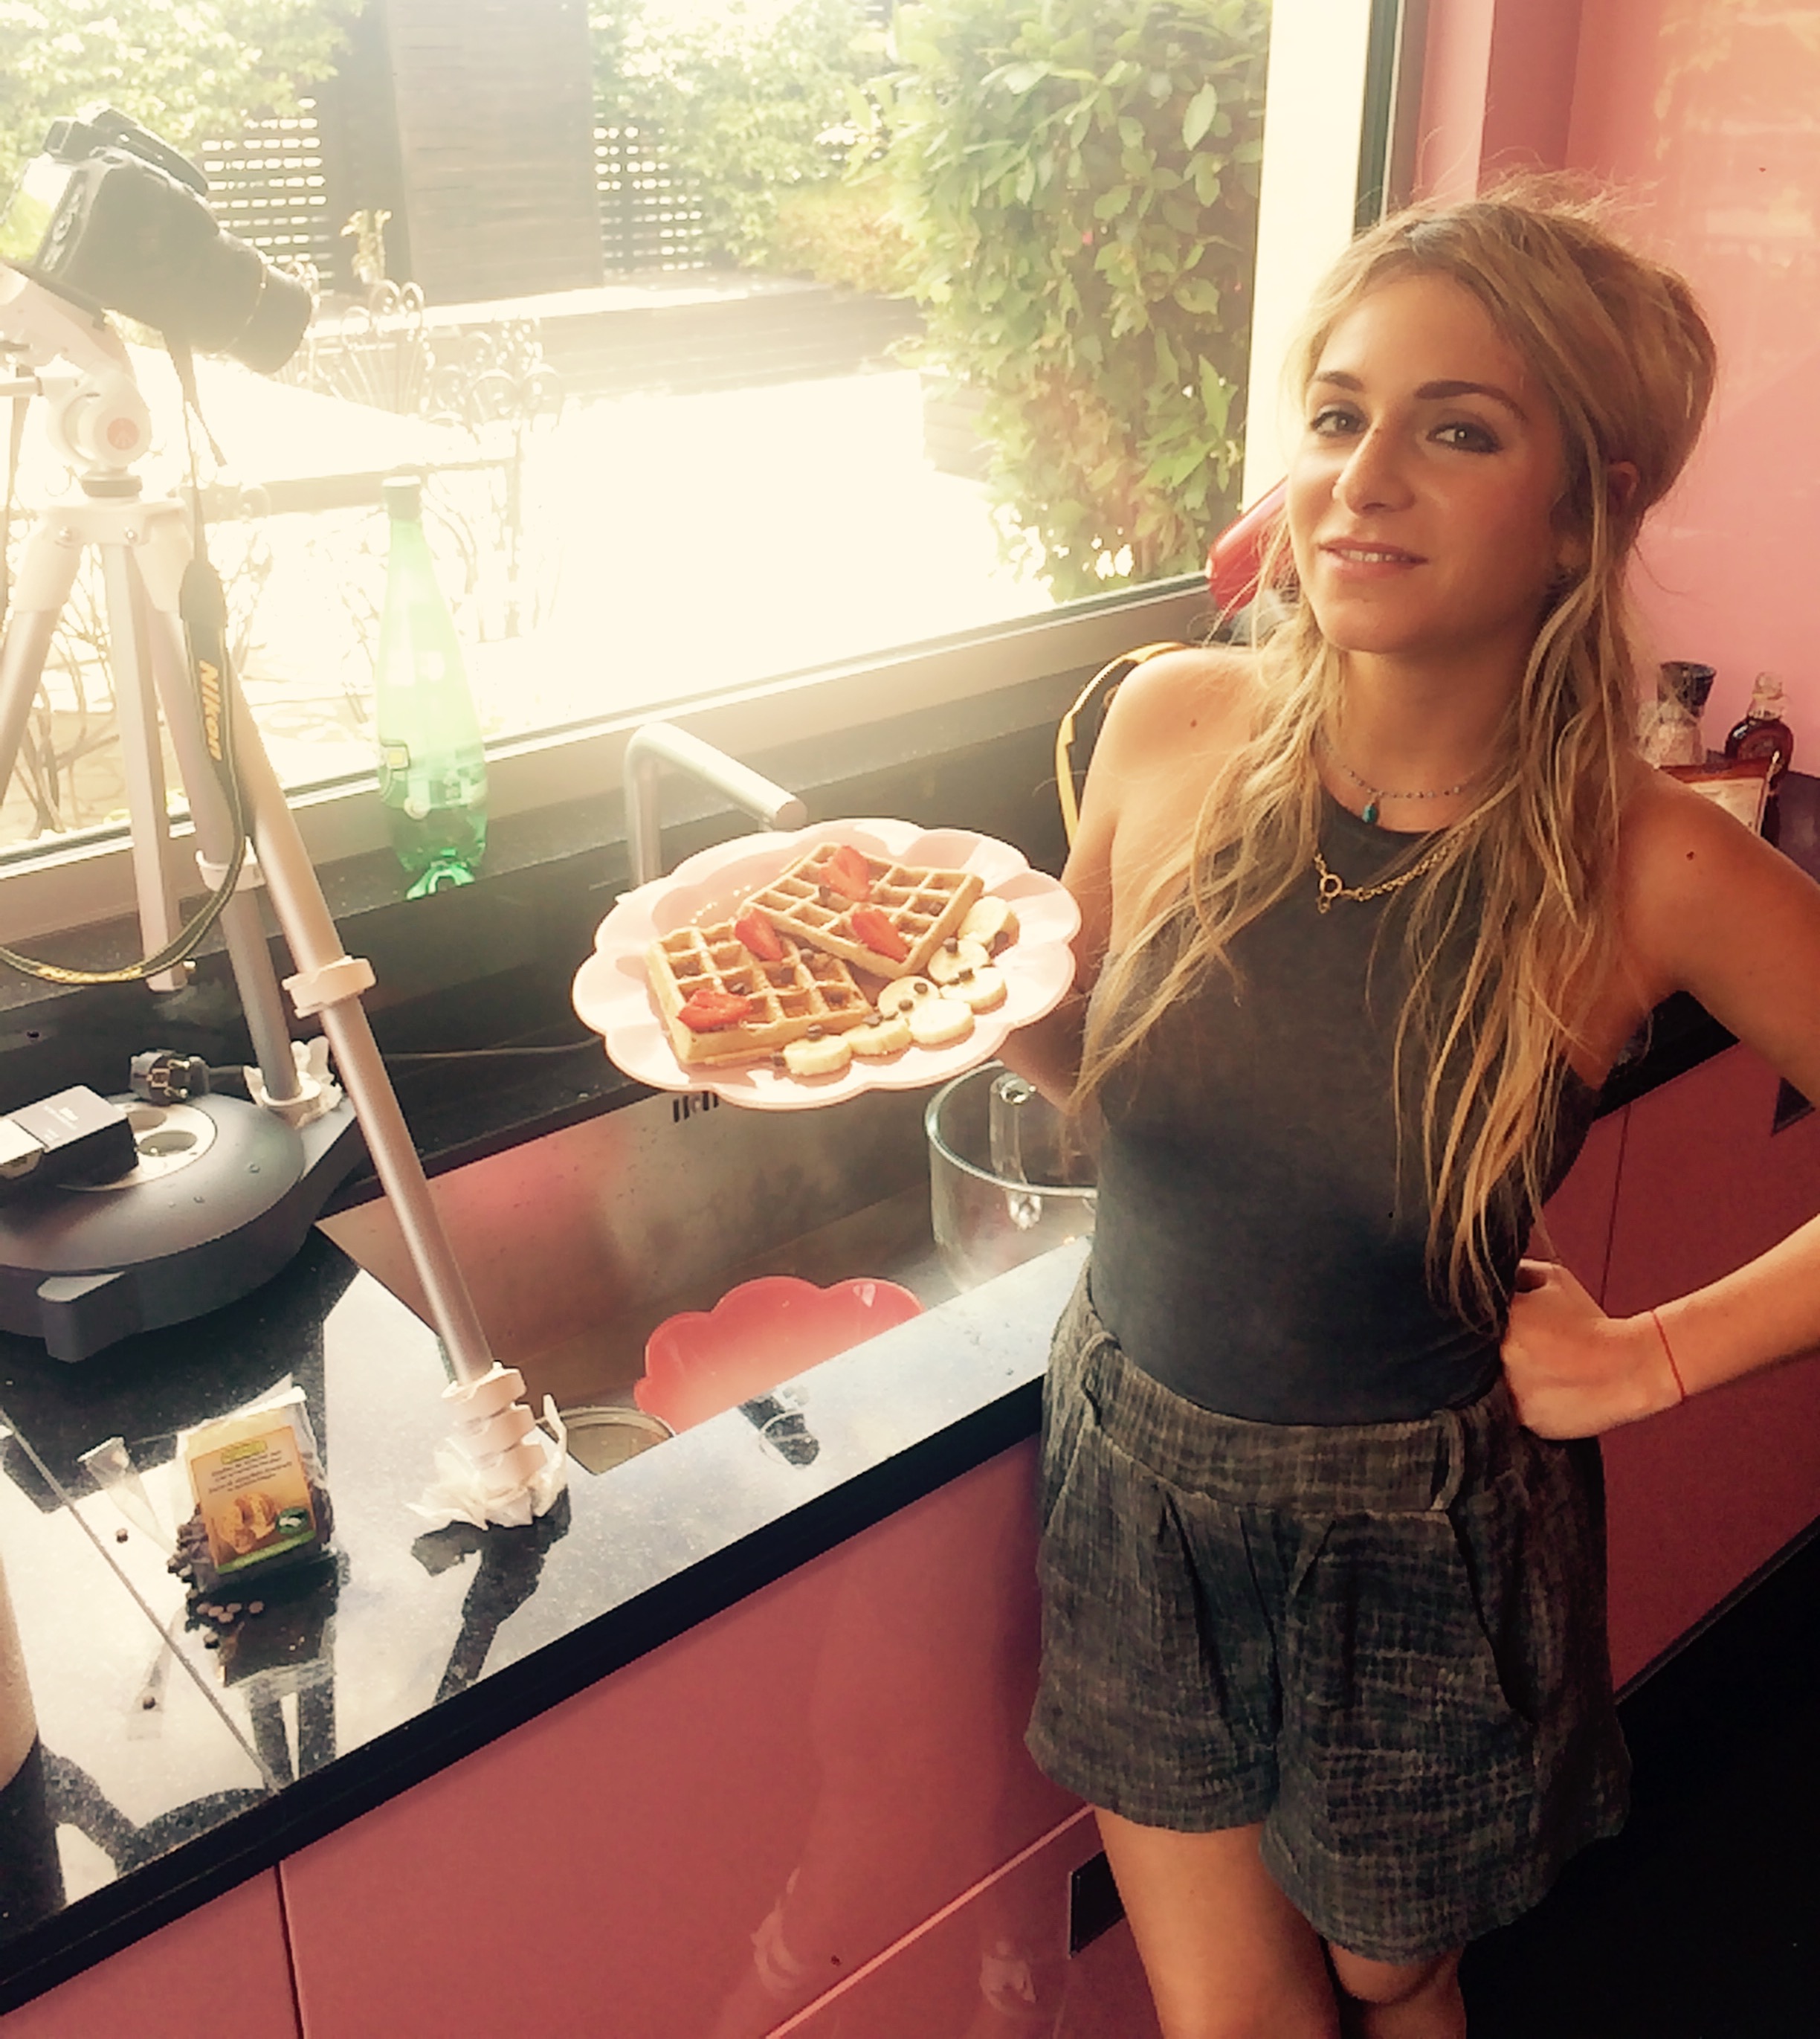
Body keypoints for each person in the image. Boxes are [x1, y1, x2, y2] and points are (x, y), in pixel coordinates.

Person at [998, 183, 1820, 2039]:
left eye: (1457, 432)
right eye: (1338, 415)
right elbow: (1091, 1075)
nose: (1362, 481)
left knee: (1395, 1976)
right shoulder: (1168, 723)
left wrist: (1661, 1356)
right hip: (1132, 1468)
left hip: (1417, 1530)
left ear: (1583, 508)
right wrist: (980, 1007)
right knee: (1232, 2017)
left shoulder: (1652, 860)